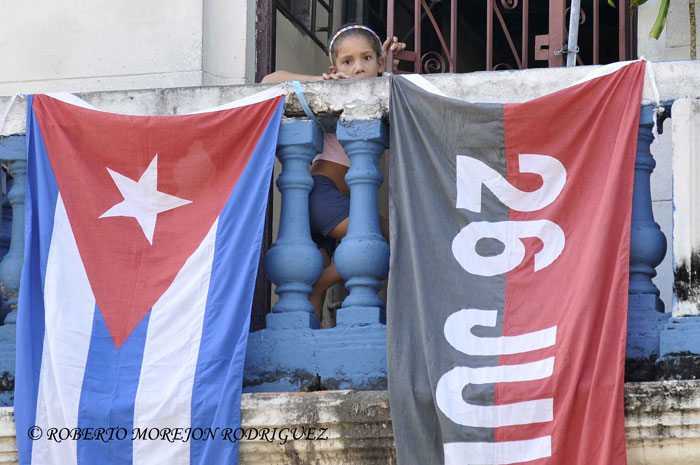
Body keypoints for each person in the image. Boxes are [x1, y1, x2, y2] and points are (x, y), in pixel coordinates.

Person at [262, 25, 404, 322]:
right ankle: (326, 284)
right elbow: (269, 80)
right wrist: (322, 83)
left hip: (335, 202)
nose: (357, 69)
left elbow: (397, 89)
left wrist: (390, 64)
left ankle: (307, 352)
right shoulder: (331, 92)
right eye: (347, 62)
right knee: (390, 234)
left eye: (366, 59)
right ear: (334, 68)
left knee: (311, 286)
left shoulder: (379, 92)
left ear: (378, 64)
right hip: (320, 195)